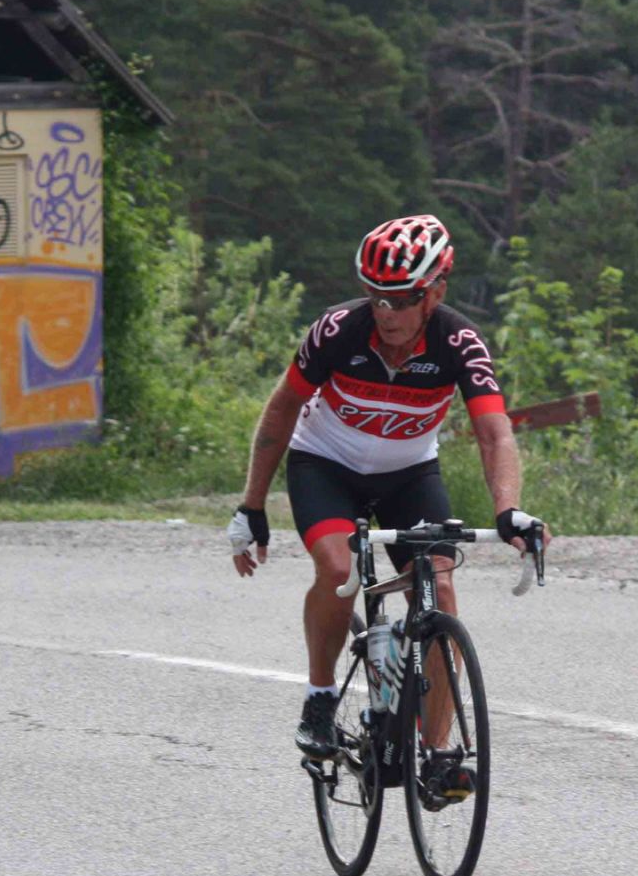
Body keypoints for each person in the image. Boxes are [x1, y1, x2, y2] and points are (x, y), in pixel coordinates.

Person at [227, 214, 544, 777]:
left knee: (440, 590)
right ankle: (320, 697)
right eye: (377, 297)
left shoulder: (459, 342)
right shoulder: (337, 331)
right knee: (339, 569)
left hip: (408, 474)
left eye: (402, 300)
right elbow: (281, 409)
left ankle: (437, 753)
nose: (387, 312)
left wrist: (508, 510)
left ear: (436, 292)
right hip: (325, 465)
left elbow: (495, 434)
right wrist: (252, 505)